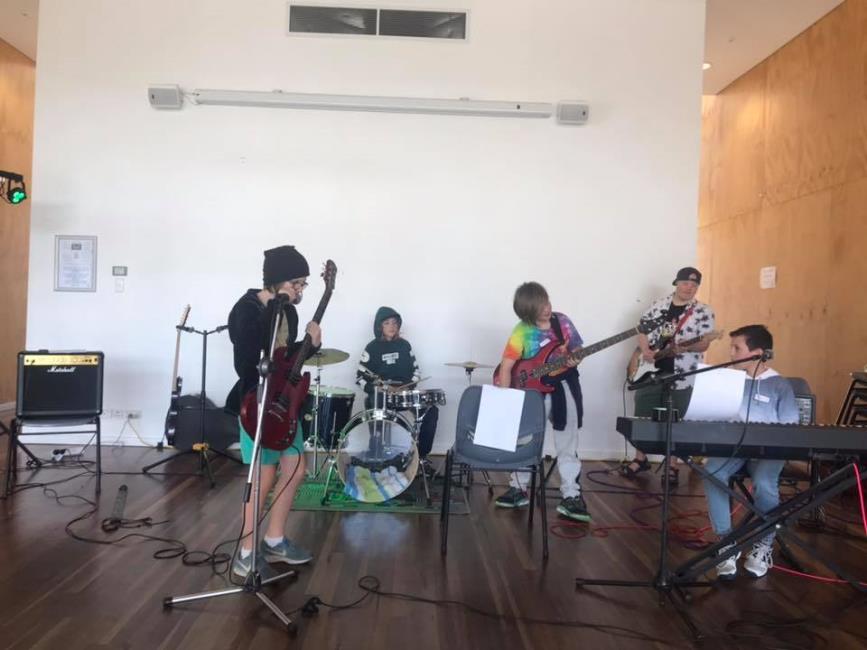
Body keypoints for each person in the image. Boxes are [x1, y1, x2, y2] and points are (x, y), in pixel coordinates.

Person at [225, 245, 320, 577]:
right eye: (296, 283)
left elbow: (285, 359)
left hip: (284, 403)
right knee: (263, 476)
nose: (300, 290)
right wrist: (273, 309)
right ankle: (246, 553)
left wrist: (309, 346)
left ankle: (275, 540)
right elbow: (247, 363)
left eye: (304, 284)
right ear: (278, 280)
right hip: (256, 404)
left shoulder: (289, 313)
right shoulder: (246, 309)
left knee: (296, 467)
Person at [703, 324, 799, 580]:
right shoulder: (729, 381)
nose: (731, 353)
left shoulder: (780, 385)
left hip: (769, 451)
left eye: (737, 348)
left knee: (764, 482)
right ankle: (726, 542)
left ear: (757, 353)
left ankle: (763, 542)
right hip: (734, 448)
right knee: (712, 471)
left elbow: (791, 427)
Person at [495, 282, 590, 522]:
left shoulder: (562, 322)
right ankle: (518, 487)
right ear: (528, 311)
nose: (547, 309)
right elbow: (506, 367)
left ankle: (571, 494)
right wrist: (507, 400)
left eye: (547, 302)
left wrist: (575, 358)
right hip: (532, 390)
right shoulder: (521, 331)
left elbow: (578, 349)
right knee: (525, 439)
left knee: (567, 441)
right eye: (540, 307)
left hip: (564, 385)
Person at [621, 266, 715, 485]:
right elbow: (642, 330)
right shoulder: (658, 305)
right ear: (676, 283)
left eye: (694, 285)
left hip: (682, 373)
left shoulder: (703, 311)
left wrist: (686, 347)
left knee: (675, 417)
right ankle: (640, 458)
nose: (689, 288)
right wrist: (645, 350)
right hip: (650, 369)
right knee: (643, 412)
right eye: (685, 283)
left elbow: (704, 344)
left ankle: (672, 464)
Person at [356, 307, 439, 468]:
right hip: (381, 396)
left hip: (404, 395)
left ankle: (420, 455)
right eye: (387, 323)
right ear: (379, 326)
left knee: (431, 411)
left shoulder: (405, 345)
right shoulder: (371, 348)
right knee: (375, 402)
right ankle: (376, 451)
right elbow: (360, 378)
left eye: (394, 323)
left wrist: (408, 387)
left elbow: (416, 372)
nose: (392, 326)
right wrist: (376, 389)